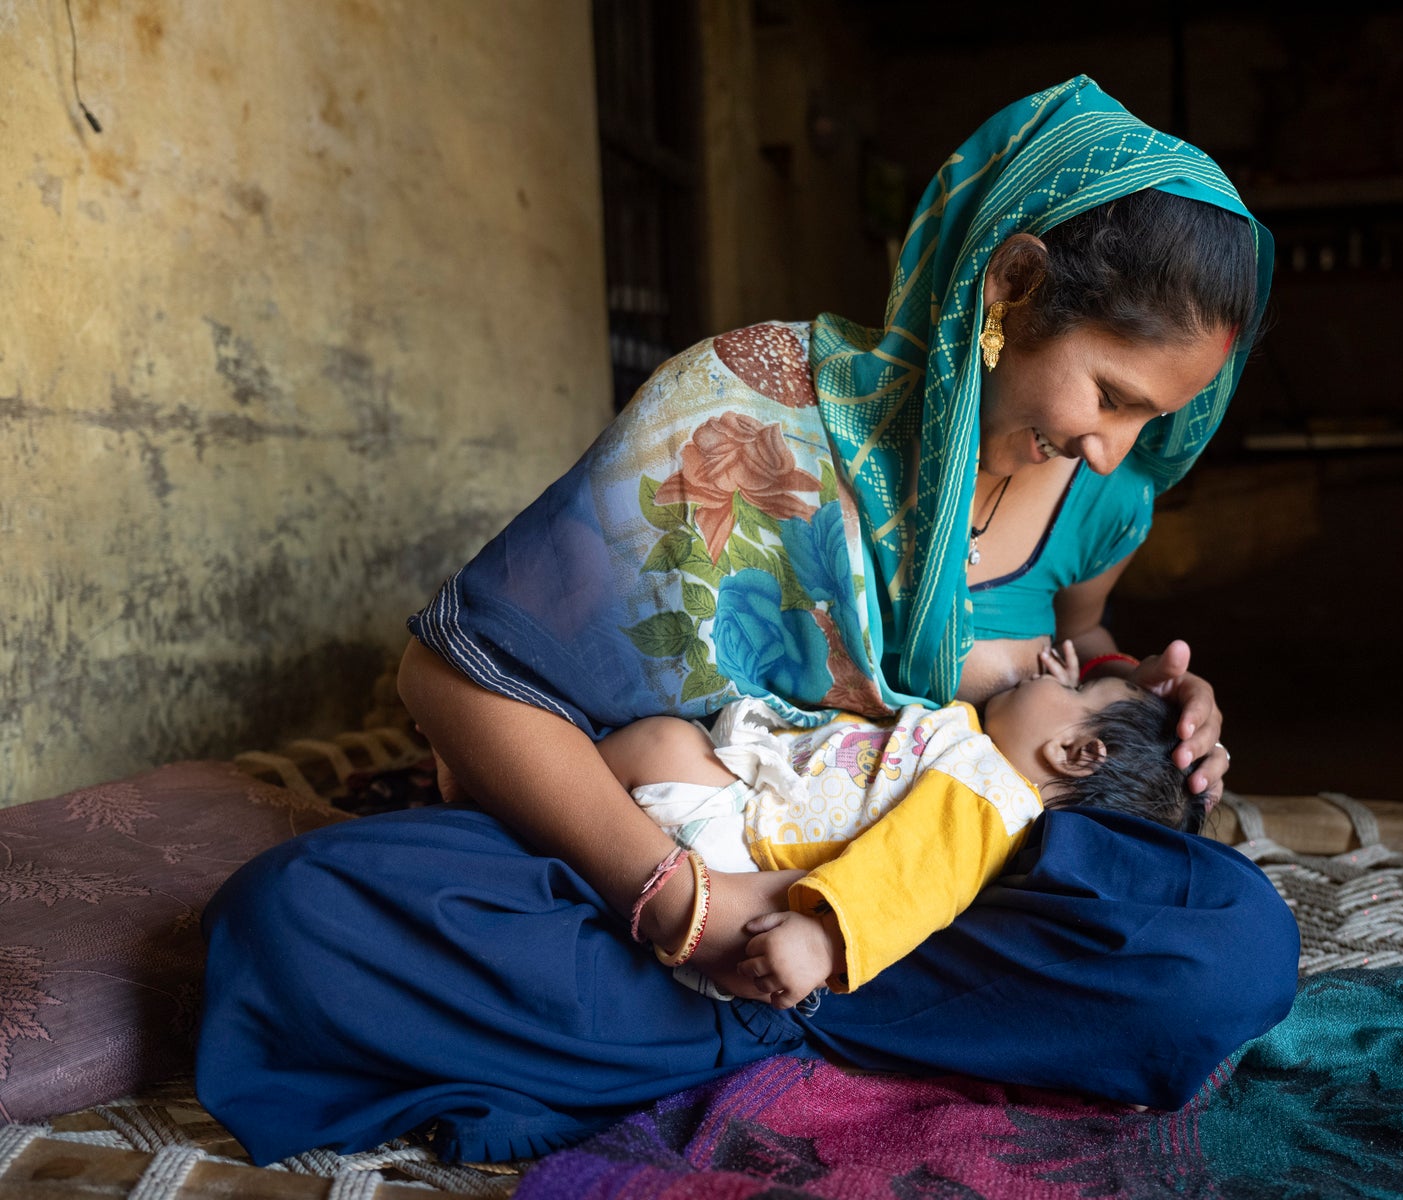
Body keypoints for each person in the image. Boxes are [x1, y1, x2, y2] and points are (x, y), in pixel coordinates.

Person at [197, 76, 1299, 1163]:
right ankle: (761, 1011)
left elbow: (1087, 645)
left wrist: (1147, 689)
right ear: (1009, 288)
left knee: (1232, 947)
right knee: (299, 916)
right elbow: (450, 684)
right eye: (1108, 396)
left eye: (1150, 416)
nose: (1115, 447)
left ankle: (728, 1019)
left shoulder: (1106, 493)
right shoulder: (742, 416)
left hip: (936, 900)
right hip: (677, 855)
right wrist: (690, 904)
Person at [588, 641, 1201, 1005]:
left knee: (661, 746)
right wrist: (1065, 698)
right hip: (752, 814)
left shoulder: (993, 801)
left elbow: (915, 879)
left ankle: (550, 788)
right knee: (664, 750)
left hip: (743, 855)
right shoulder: (985, 763)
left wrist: (824, 942)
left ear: (1075, 752)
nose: (1051, 676)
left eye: (1077, 692)